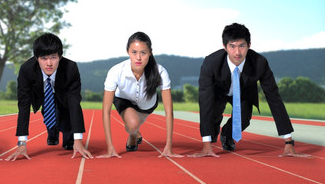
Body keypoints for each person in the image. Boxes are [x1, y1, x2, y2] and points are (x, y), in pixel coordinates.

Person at [189, 23, 308, 158]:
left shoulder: (259, 63)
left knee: (244, 119)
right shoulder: (211, 62)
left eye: (242, 46)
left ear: (249, 45)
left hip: (243, 92)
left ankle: (226, 134)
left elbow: (274, 98)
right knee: (212, 117)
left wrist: (289, 141)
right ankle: (212, 133)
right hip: (218, 92)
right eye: (232, 46)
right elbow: (205, 101)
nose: (237, 52)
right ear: (225, 47)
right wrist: (206, 143)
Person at [6, 33, 93, 161]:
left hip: (63, 95)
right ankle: (52, 133)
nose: (49, 63)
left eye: (53, 57)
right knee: (49, 112)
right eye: (44, 58)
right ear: (36, 58)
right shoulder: (26, 70)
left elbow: (75, 103)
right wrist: (22, 142)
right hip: (42, 94)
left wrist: (78, 139)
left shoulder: (71, 68)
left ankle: (67, 137)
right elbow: (23, 105)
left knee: (66, 121)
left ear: (60, 57)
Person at [98, 31, 182, 159]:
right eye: (134, 52)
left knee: (135, 124)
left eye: (143, 53)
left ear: (150, 53)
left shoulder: (160, 71)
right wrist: (110, 148)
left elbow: (168, 111)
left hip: (147, 104)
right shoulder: (115, 72)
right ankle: (133, 134)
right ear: (128, 52)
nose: (138, 58)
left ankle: (133, 133)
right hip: (123, 99)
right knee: (133, 124)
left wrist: (168, 147)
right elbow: (105, 111)